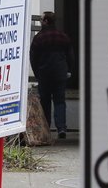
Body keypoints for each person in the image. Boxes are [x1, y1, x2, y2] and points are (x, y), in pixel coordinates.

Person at [29, 10, 75, 139]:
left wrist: (36, 72)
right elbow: (70, 56)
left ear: (45, 21)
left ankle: (46, 127)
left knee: (45, 101)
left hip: (44, 73)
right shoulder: (63, 36)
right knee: (60, 101)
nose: (40, 22)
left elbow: (33, 57)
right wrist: (69, 70)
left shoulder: (39, 38)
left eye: (41, 20)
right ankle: (61, 128)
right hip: (60, 73)